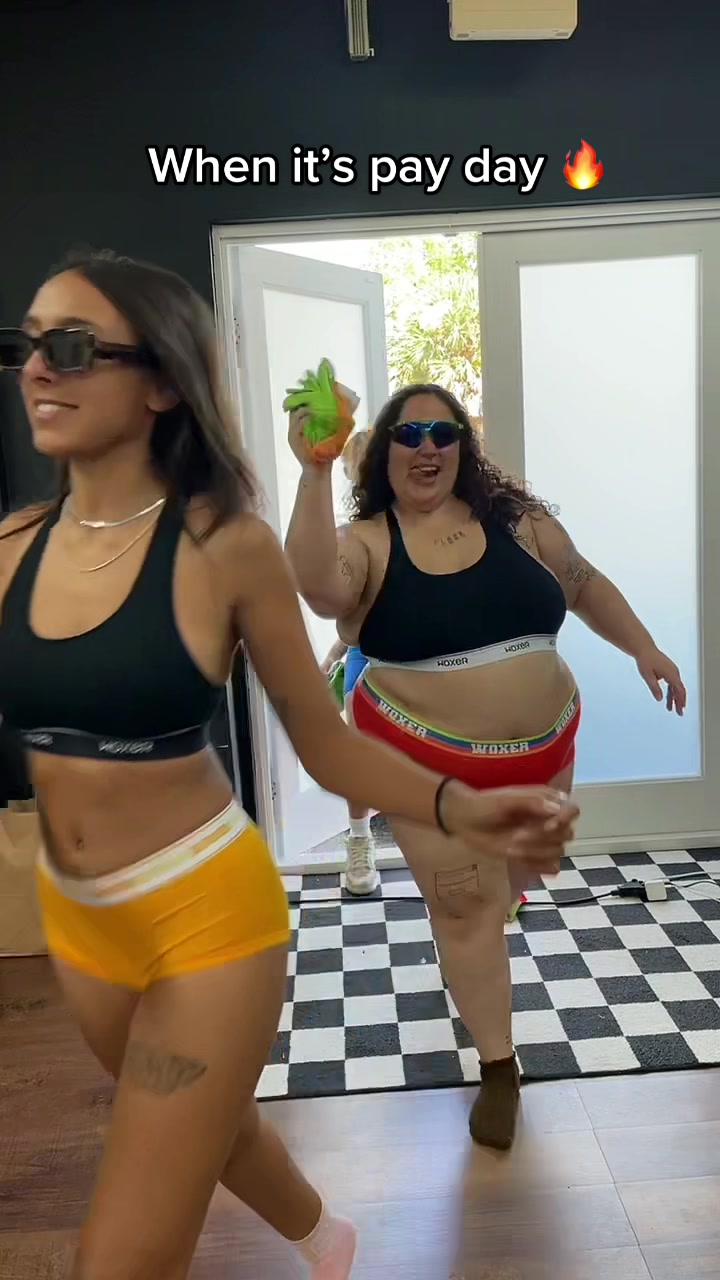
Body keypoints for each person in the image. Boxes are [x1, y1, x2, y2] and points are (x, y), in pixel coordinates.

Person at [0, 255, 580, 1280]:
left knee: (125, 1241)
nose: (38, 368)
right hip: (76, 915)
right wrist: (321, 474)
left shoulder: (225, 545)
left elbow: (324, 741)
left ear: (162, 380)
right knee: (214, 1122)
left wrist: (461, 805)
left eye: (74, 346)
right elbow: (336, 584)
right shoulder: (11, 545)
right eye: (27, 345)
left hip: (205, 912)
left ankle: (484, 1073)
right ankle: (323, 1236)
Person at [285, 382, 686, 1153]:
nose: (426, 447)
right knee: (467, 907)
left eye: (443, 432)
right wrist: (312, 470)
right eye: (408, 435)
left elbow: (583, 583)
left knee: (506, 887)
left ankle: (481, 930)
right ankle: (500, 1067)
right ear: (383, 452)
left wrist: (643, 646)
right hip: (421, 761)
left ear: (464, 447)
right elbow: (318, 586)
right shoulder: (366, 541)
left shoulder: (519, 522)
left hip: (547, 750)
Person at [320, 429, 378, 894]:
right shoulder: (354, 537)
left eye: (350, 471)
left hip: (424, 662)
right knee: (360, 755)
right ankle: (360, 841)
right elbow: (350, 616)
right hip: (365, 657)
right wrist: (333, 656)